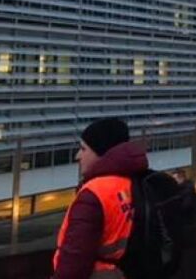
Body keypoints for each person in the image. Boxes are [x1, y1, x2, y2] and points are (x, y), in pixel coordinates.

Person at [52, 118, 148, 279]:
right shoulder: (135, 181)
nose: (78, 156)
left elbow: (74, 261)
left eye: (83, 149)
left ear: (101, 153)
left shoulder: (93, 195)